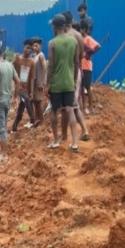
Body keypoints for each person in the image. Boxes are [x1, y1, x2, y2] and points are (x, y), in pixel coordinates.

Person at [46, 14, 81, 152]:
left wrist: (47, 84)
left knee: (54, 110)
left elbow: (51, 66)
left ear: (55, 27)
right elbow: (77, 62)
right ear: (65, 25)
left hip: (56, 83)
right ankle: (74, 142)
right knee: (70, 110)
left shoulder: (52, 43)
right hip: (68, 82)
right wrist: (74, 80)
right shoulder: (74, 41)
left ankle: (56, 140)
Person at [62, 11, 90, 141]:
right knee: (72, 103)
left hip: (68, 71)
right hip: (77, 70)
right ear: (72, 20)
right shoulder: (79, 35)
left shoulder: (65, 36)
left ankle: (68, 135)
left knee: (69, 105)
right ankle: (82, 130)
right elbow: (81, 55)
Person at [0, 48, 20, 162]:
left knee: (1, 127)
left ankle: (4, 153)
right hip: (7, 99)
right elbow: (18, 81)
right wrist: (15, 97)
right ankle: (2, 150)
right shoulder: (10, 66)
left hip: (0, 101)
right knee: (3, 125)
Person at [11, 39, 37, 133]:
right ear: (23, 47)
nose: (28, 50)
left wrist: (32, 92)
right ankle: (33, 119)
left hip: (27, 89)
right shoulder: (18, 59)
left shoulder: (32, 62)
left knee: (21, 109)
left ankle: (14, 127)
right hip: (19, 87)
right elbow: (10, 68)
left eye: (30, 48)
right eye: (27, 48)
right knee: (26, 99)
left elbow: (32, 78)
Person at [80, 19, 100, 115]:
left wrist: (88, 54)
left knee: (87, 87)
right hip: (81, 66)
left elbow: (98, 46)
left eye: (80, 29)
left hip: (87, 66)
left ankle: (90, 107)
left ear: (84, 29)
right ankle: (84, 107)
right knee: (81, 87)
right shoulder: (80, 40)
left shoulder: (87, 39)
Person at [31, 37, 48, 123]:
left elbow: (45, 68)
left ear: (40, 46)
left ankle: (41, 120)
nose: (34, 48)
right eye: (33, 46)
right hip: (35, 82)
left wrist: (41, 82)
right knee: (35, 101)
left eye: (36, 46)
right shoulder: (34, 56)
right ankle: (37, 119)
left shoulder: (41, 55)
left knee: (38, 101)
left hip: (39, 82)